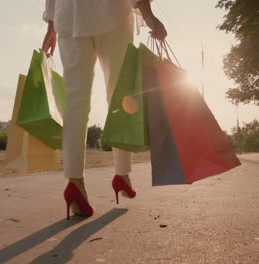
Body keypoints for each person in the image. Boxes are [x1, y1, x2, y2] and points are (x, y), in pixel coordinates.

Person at [41, 0, 167, 219]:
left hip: (68, 17)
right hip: (111, 12)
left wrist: (51, 25)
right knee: (120, 97)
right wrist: (147, 13)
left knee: (75, 101)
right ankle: (122, 175)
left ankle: (74, 182)